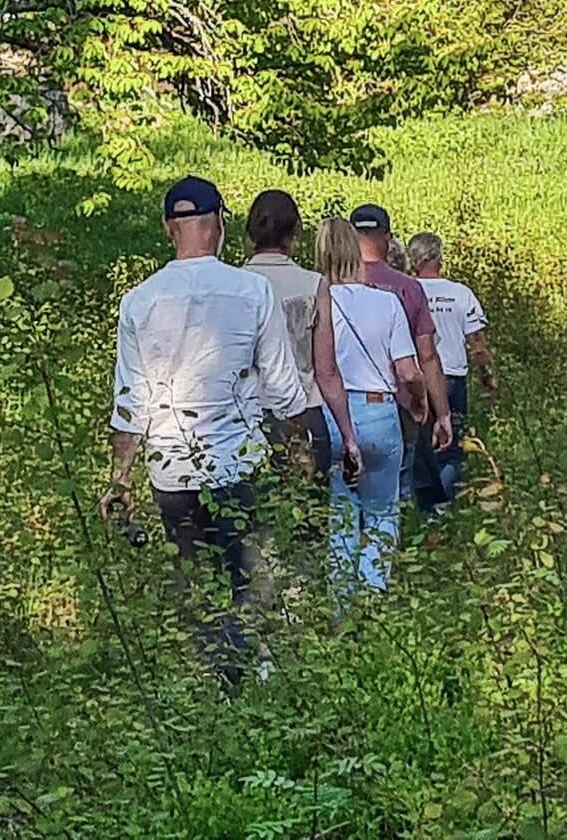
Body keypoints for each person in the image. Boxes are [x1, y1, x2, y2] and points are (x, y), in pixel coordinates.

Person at [100, 175, 307, 683]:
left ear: (168, 228)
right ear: (219, 224)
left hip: (171, 472)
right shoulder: (252, 291)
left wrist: (120, 479)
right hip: (239, 464)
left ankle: (217, 679)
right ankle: (247, 677)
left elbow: (131, 402)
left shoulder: (139, 301)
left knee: (195, 579)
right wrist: (298, 444)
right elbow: (282, 386)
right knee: (246, 575)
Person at [310, 218, 426, 593]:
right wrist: (419, 401)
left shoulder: (318, 301)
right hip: (379, 412)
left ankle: (340, 603)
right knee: (381, 512)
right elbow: (407, 370)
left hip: (332, 414)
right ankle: (374, 595)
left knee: (341, 513)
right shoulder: (386, 302)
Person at [348, 203, 453, 502]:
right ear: (388, 238)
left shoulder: (330, 285)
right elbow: (427, 356)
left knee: (345, 496)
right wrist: (441, 412)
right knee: (394, 492)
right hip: (398, 404)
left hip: (341, 403)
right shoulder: (408, 288)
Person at [241, 189, 329, 476]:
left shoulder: (234, 285)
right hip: (305, 410)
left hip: (247, 415)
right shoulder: (313, 284)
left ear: (251, 234)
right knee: (309, 499)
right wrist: (348, 434)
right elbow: (326, 369)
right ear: (295, 233)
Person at [407, 231, 494, 513]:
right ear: (439, 258)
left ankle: (420, 510)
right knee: (451, 450)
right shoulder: (460, 293)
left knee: (418, 448)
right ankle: (441, 510)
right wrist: (488, 377)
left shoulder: (404, 290)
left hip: (415, 379)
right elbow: (477, 343)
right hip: (452, 378)